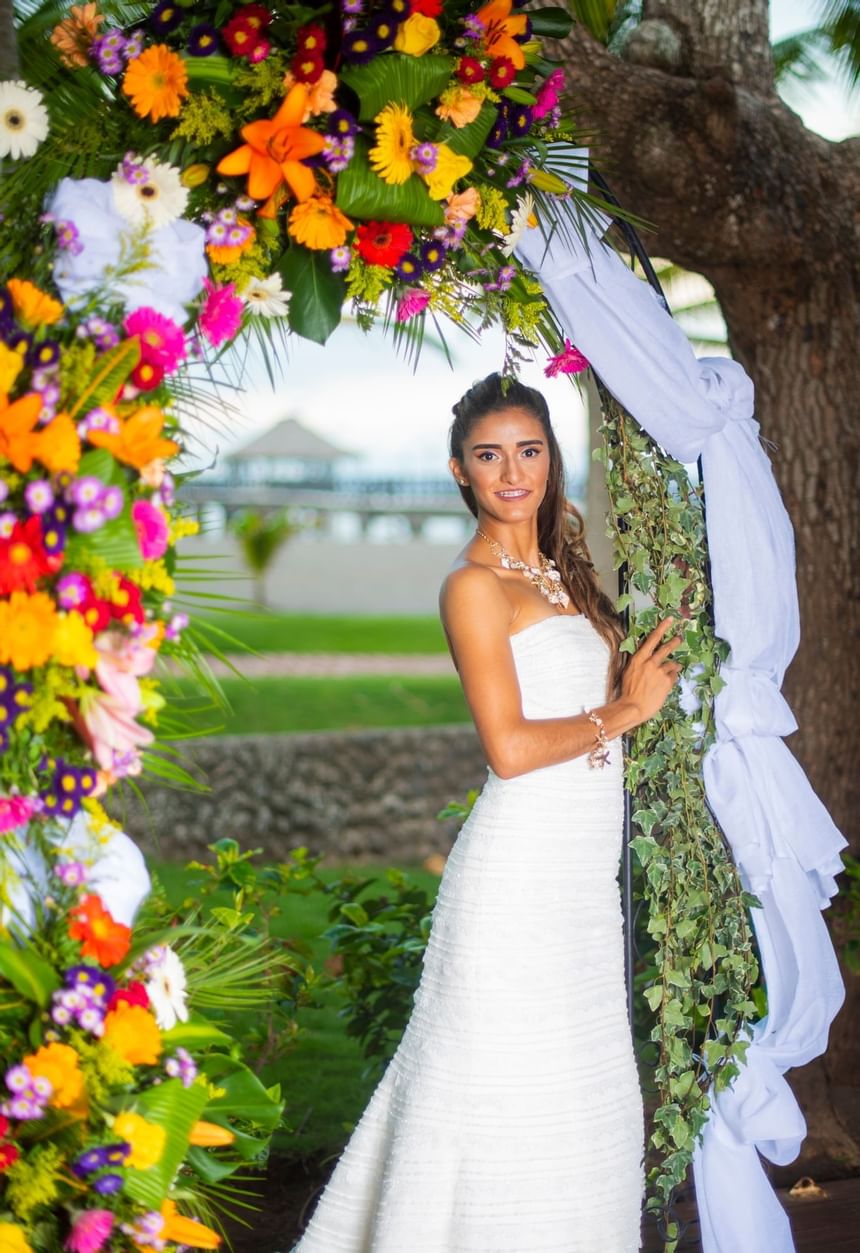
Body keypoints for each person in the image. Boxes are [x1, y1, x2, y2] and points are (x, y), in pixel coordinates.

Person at [291, 372, 683, 1253]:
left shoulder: (558, 571)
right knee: (503, 1084)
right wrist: (626, 710)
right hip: (516, 876)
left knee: (579, 1091)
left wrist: (634, 687)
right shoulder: (472, 586)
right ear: (459, 470)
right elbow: (506, 747)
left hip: (579, 878)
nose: (513, 471)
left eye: (530, 450)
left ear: (552, 458)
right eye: (489, 454)